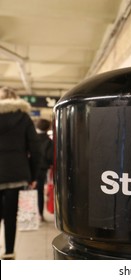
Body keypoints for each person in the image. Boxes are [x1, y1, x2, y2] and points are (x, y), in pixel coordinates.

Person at [0, 86, 42, 260]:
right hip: (17, 174)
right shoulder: (24, 118)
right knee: (11, 216)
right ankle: (9, 252)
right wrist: (33, 176)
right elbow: (35, 149)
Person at [35, 118, 53, 222]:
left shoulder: (32, 138)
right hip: (41, 169)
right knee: (39, 191)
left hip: (29, 169)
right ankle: (40, 215)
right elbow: (50, 157)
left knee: (25, 191)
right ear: (48, 128)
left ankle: (25, 213)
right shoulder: (49, 141)